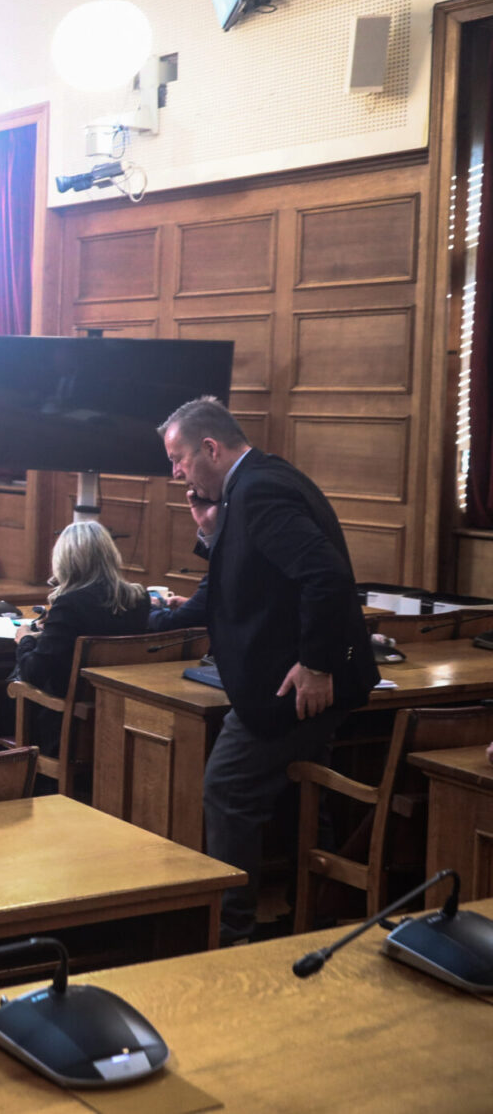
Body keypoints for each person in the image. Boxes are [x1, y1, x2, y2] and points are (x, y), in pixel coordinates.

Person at [156, 396, 374, 945]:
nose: (176, 472)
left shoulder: (259, 491)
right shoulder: (258, 481)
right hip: (289, 685)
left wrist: (316, 664)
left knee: (226, 790)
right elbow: (252, 578)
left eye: (179, 458)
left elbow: (325, 576)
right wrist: (210, 533)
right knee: (306, 797)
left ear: (210, 448)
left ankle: (231, 936)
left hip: (286, 689)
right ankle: (314, 919)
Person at [11, 520, 153, 754]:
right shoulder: (139, 598)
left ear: (65, 560)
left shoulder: (69, 604)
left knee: (7, 692)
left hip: (66, 726)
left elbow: (33, 672)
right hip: (120, 718)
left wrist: (25, 638)